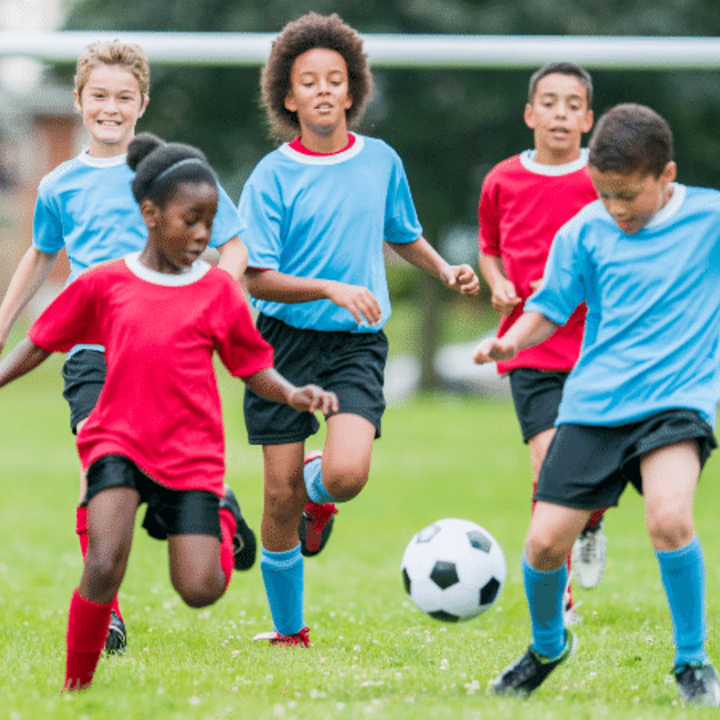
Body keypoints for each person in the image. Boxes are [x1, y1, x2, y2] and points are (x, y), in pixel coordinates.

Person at [0, 133, 338, 691]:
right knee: (104, 562)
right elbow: (40, 342)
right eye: (192, 220)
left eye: (209, 221)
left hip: (190, 456)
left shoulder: (215, 292)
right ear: (150, 215)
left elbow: (252, 367)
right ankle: (73, 692)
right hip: (117, 442)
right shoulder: (104, 283)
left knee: (200, 589)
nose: (204, 234)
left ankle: (223, 514)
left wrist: (293, 393)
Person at [238, 12, 480, 647]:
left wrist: (445, 267)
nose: (323, 90)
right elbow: (256, 277)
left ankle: (322, 489)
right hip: (281, 345)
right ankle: (289, 631)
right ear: (287, 97)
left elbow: (402, 232)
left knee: (345, 476)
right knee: (278, 495)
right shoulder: (272, 176)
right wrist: (325, 286)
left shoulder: (380, 161)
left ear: (352, 91)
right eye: (308, 81)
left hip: (354, 344)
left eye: (335, 79)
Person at [0, 40, 251, 654]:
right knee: (100, 469)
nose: (110, 108)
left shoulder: (174, 175)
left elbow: (235, 245)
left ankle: (212, 502)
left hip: (168, 354)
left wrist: (220, 294)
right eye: (99, 97)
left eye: (123, 97)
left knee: (169, 469)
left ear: (142, 103)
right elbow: (41, 251)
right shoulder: (59, 182)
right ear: (80, 101)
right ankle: (104, 610)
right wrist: (4, 323)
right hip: (91, 353)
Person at [473, 103, 720, 706]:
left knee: (668, 517)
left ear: (667, 176)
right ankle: (548, 646)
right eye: (604, 194)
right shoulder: (584, 231)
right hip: (595, 403)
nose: (615, 209)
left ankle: (692, 662)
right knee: (543, 544)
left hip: (676, 402)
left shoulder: (710, 219)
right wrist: (511, 338)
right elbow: (550, 308)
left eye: (628, 196)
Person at [477, 62, 608, 623]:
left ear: (588, 119)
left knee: (593, 464)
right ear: (530, 114)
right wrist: (498, 280)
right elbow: (489, 247)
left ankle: (593, 522)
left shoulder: (602, 179)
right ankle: (563, 597)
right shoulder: (502, 179)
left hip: (597, 345)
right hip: (527, 345)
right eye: (549, 102)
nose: (560, 112)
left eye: (572, 103)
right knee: (551, 464)